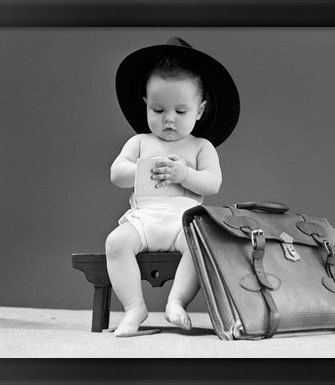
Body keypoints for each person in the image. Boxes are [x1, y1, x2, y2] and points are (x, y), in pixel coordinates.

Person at [106, 36, 240, 337]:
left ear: (200, 110)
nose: (168, 120)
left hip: (184, 221)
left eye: (180, 112)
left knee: (199, 246)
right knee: (116, 243)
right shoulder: (140, 142)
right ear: (145, 106)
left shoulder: (200, 146)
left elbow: (213, 183)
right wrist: (143, 168)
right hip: (144, 219)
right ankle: (134, 308)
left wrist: (184, 174)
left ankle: (176, 301)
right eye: (157, 110)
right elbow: (117, 174)